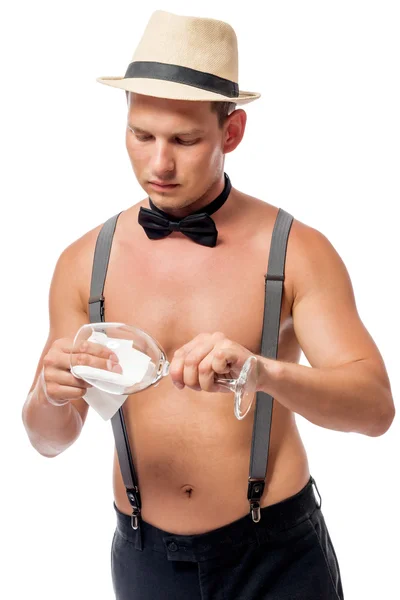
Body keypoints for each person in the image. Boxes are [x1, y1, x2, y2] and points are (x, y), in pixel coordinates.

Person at [21, 9, 394, 600]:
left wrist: (262, 371)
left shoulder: (296, 251)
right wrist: (49, 390)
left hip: (276, 557)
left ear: (233, 132)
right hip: (144, 560)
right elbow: (47, 439)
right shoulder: (83, 260)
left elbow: (375, 409)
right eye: (141, 135)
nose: (158, 164)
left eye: (184, 140)